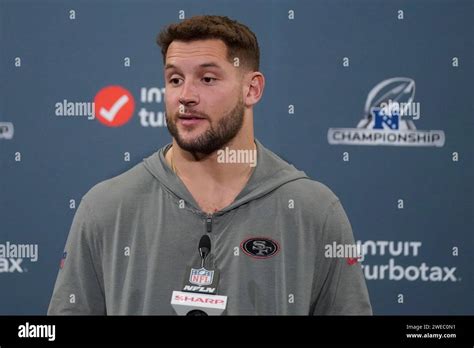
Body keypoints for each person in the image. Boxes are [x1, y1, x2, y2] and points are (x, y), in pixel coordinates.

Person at [48, 15, 372, 315]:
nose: (186, 95)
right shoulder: (106, 208)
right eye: (175, 79)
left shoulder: (313, 211)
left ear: (252, 88)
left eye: (207, 78)